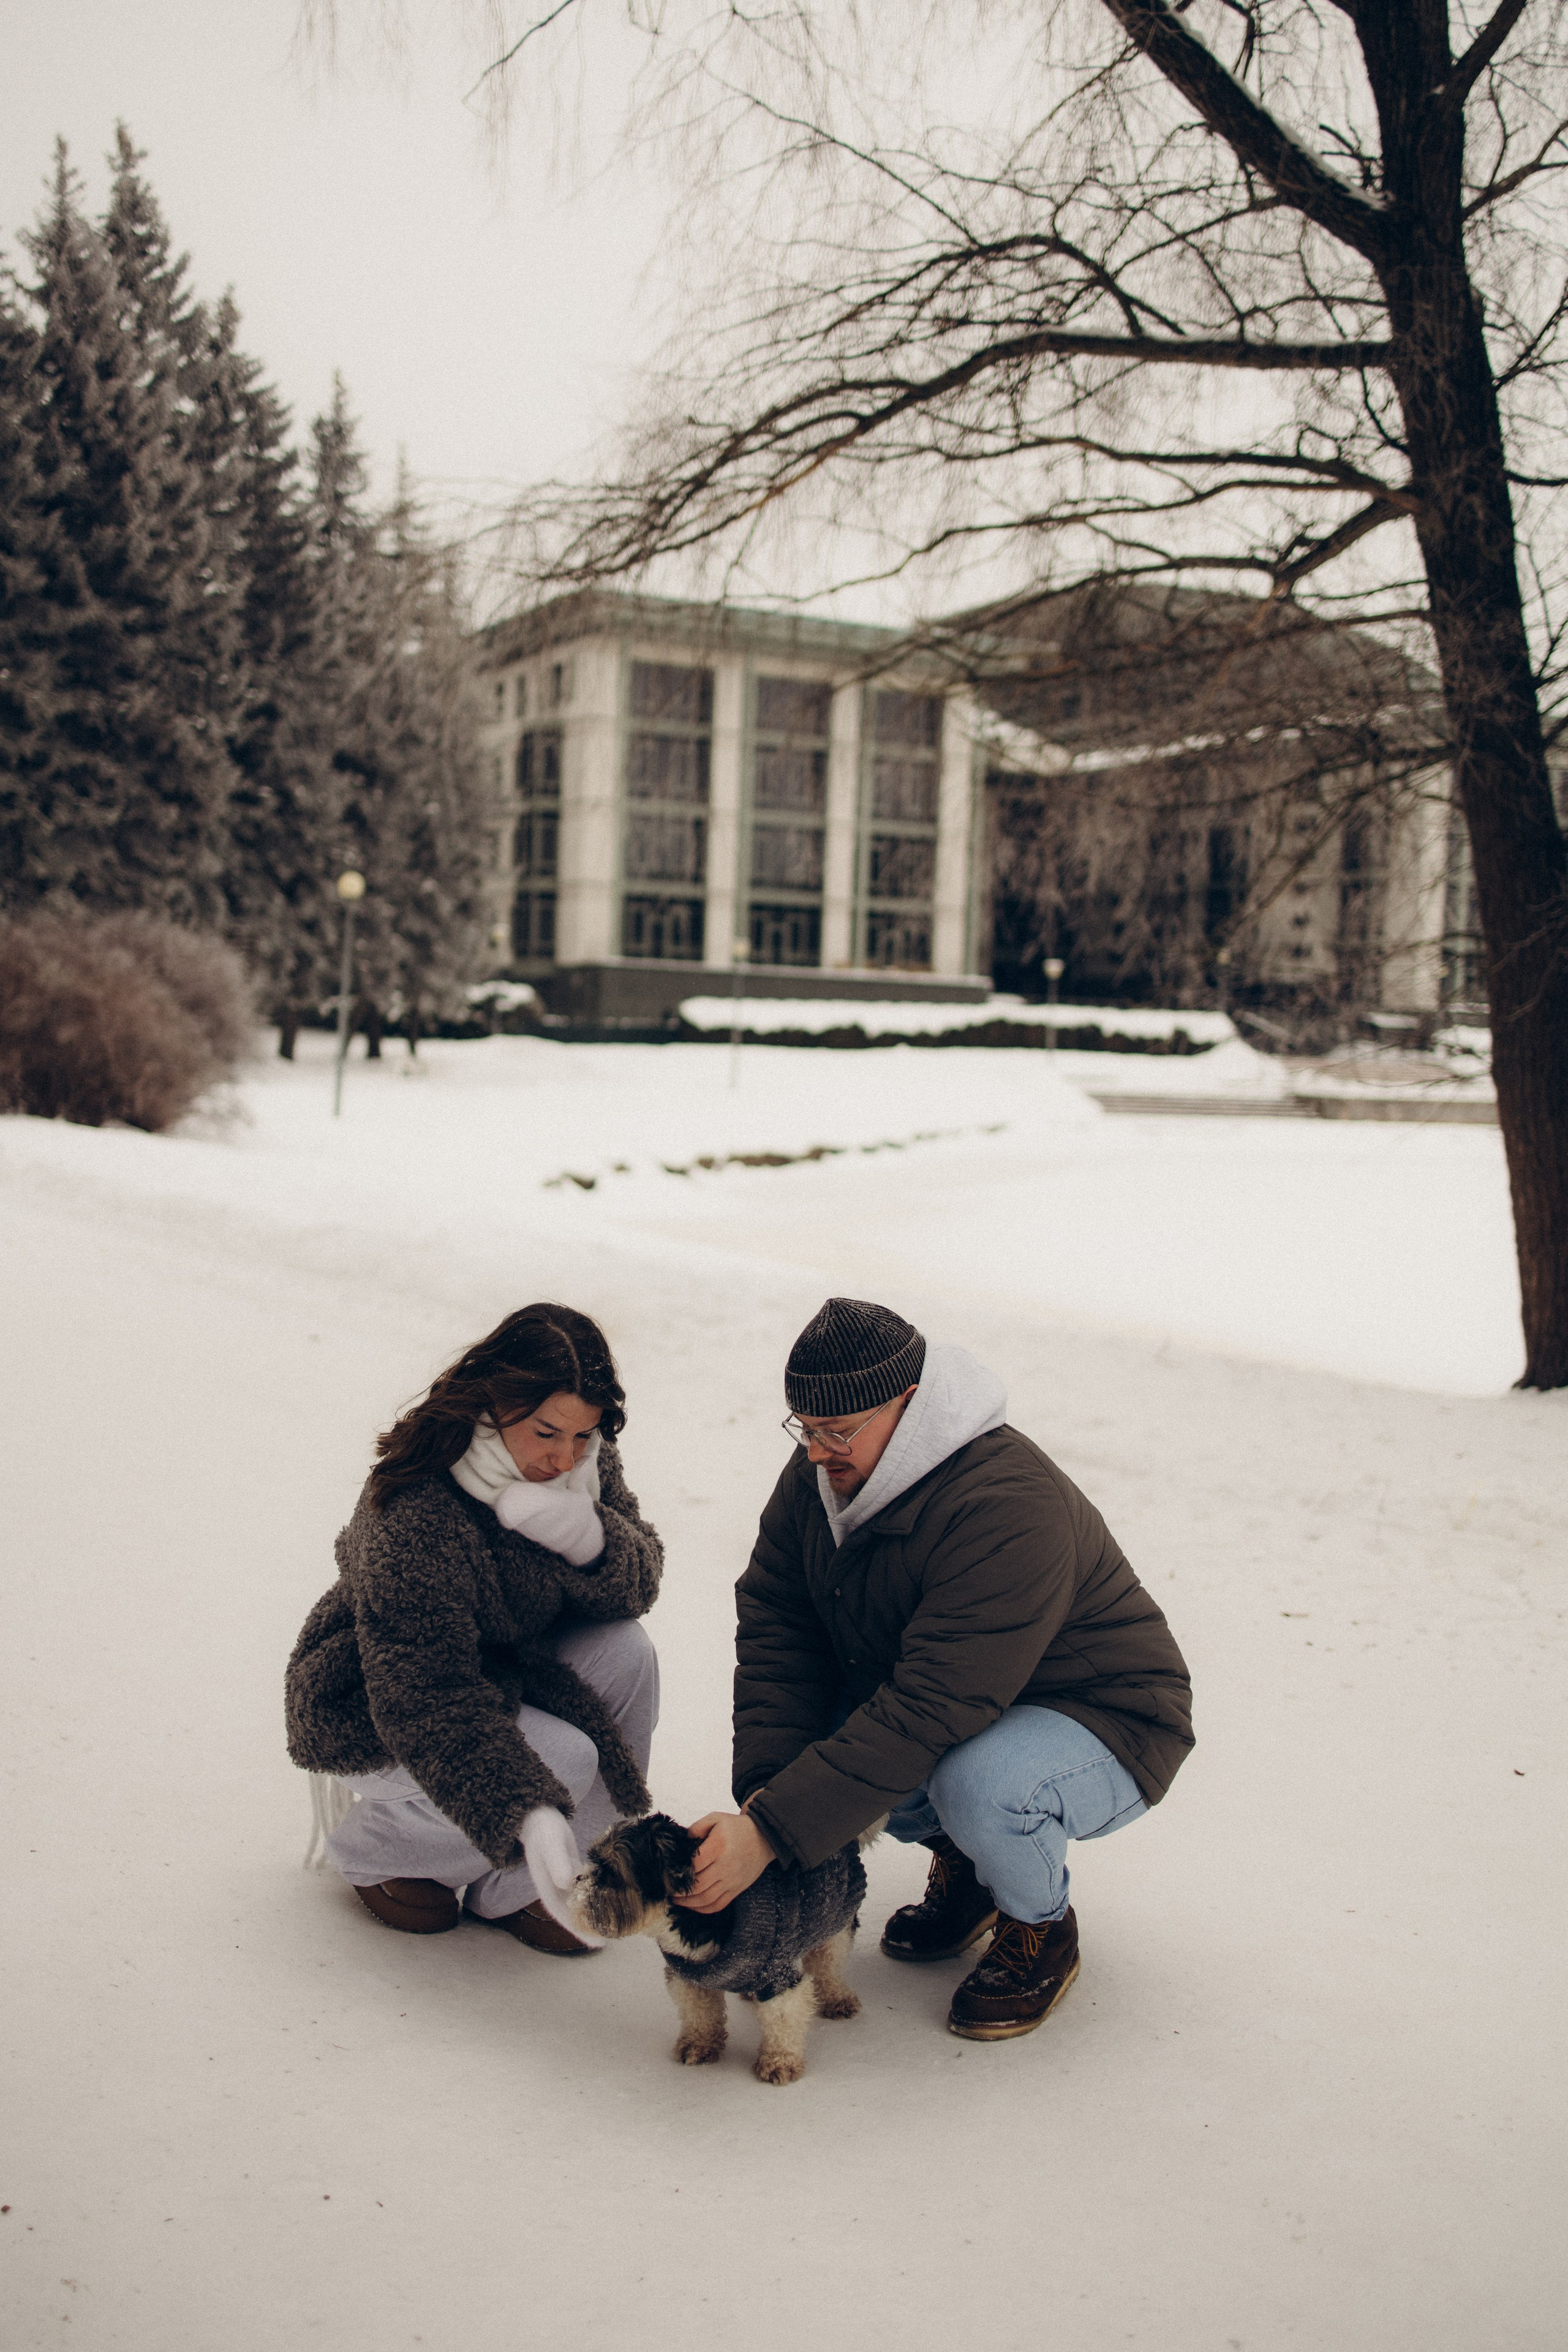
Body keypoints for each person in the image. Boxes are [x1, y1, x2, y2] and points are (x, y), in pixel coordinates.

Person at [681, 1297, 1193, 2040]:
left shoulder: (1005, 1504)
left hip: (1105, 1719)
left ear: (911, 1406)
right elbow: (777, 1629)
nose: (817, 1452)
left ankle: (1039, 1927)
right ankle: (970, 1869)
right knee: (822, 1757)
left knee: (979, 1785)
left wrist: (770, 1833)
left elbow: (933, 1706)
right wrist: (768, 1791)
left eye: (838, 1431)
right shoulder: (823, 1476)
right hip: (969, 1705)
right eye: (805, 1428)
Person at [286, 1303, 662, 1954]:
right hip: (382, 1701)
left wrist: (593, 1540)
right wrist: (528, 1809)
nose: (564, 1457)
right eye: (546, 1433)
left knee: (629, 1652)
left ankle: (529, 1888)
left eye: (582, 1436)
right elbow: (427, 1699)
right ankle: (383, 1851)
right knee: (564, 1758)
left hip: (513, 1668)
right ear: (495, 1403)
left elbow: (641, 1583)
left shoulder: (585, 1461)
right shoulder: (416, 1503)